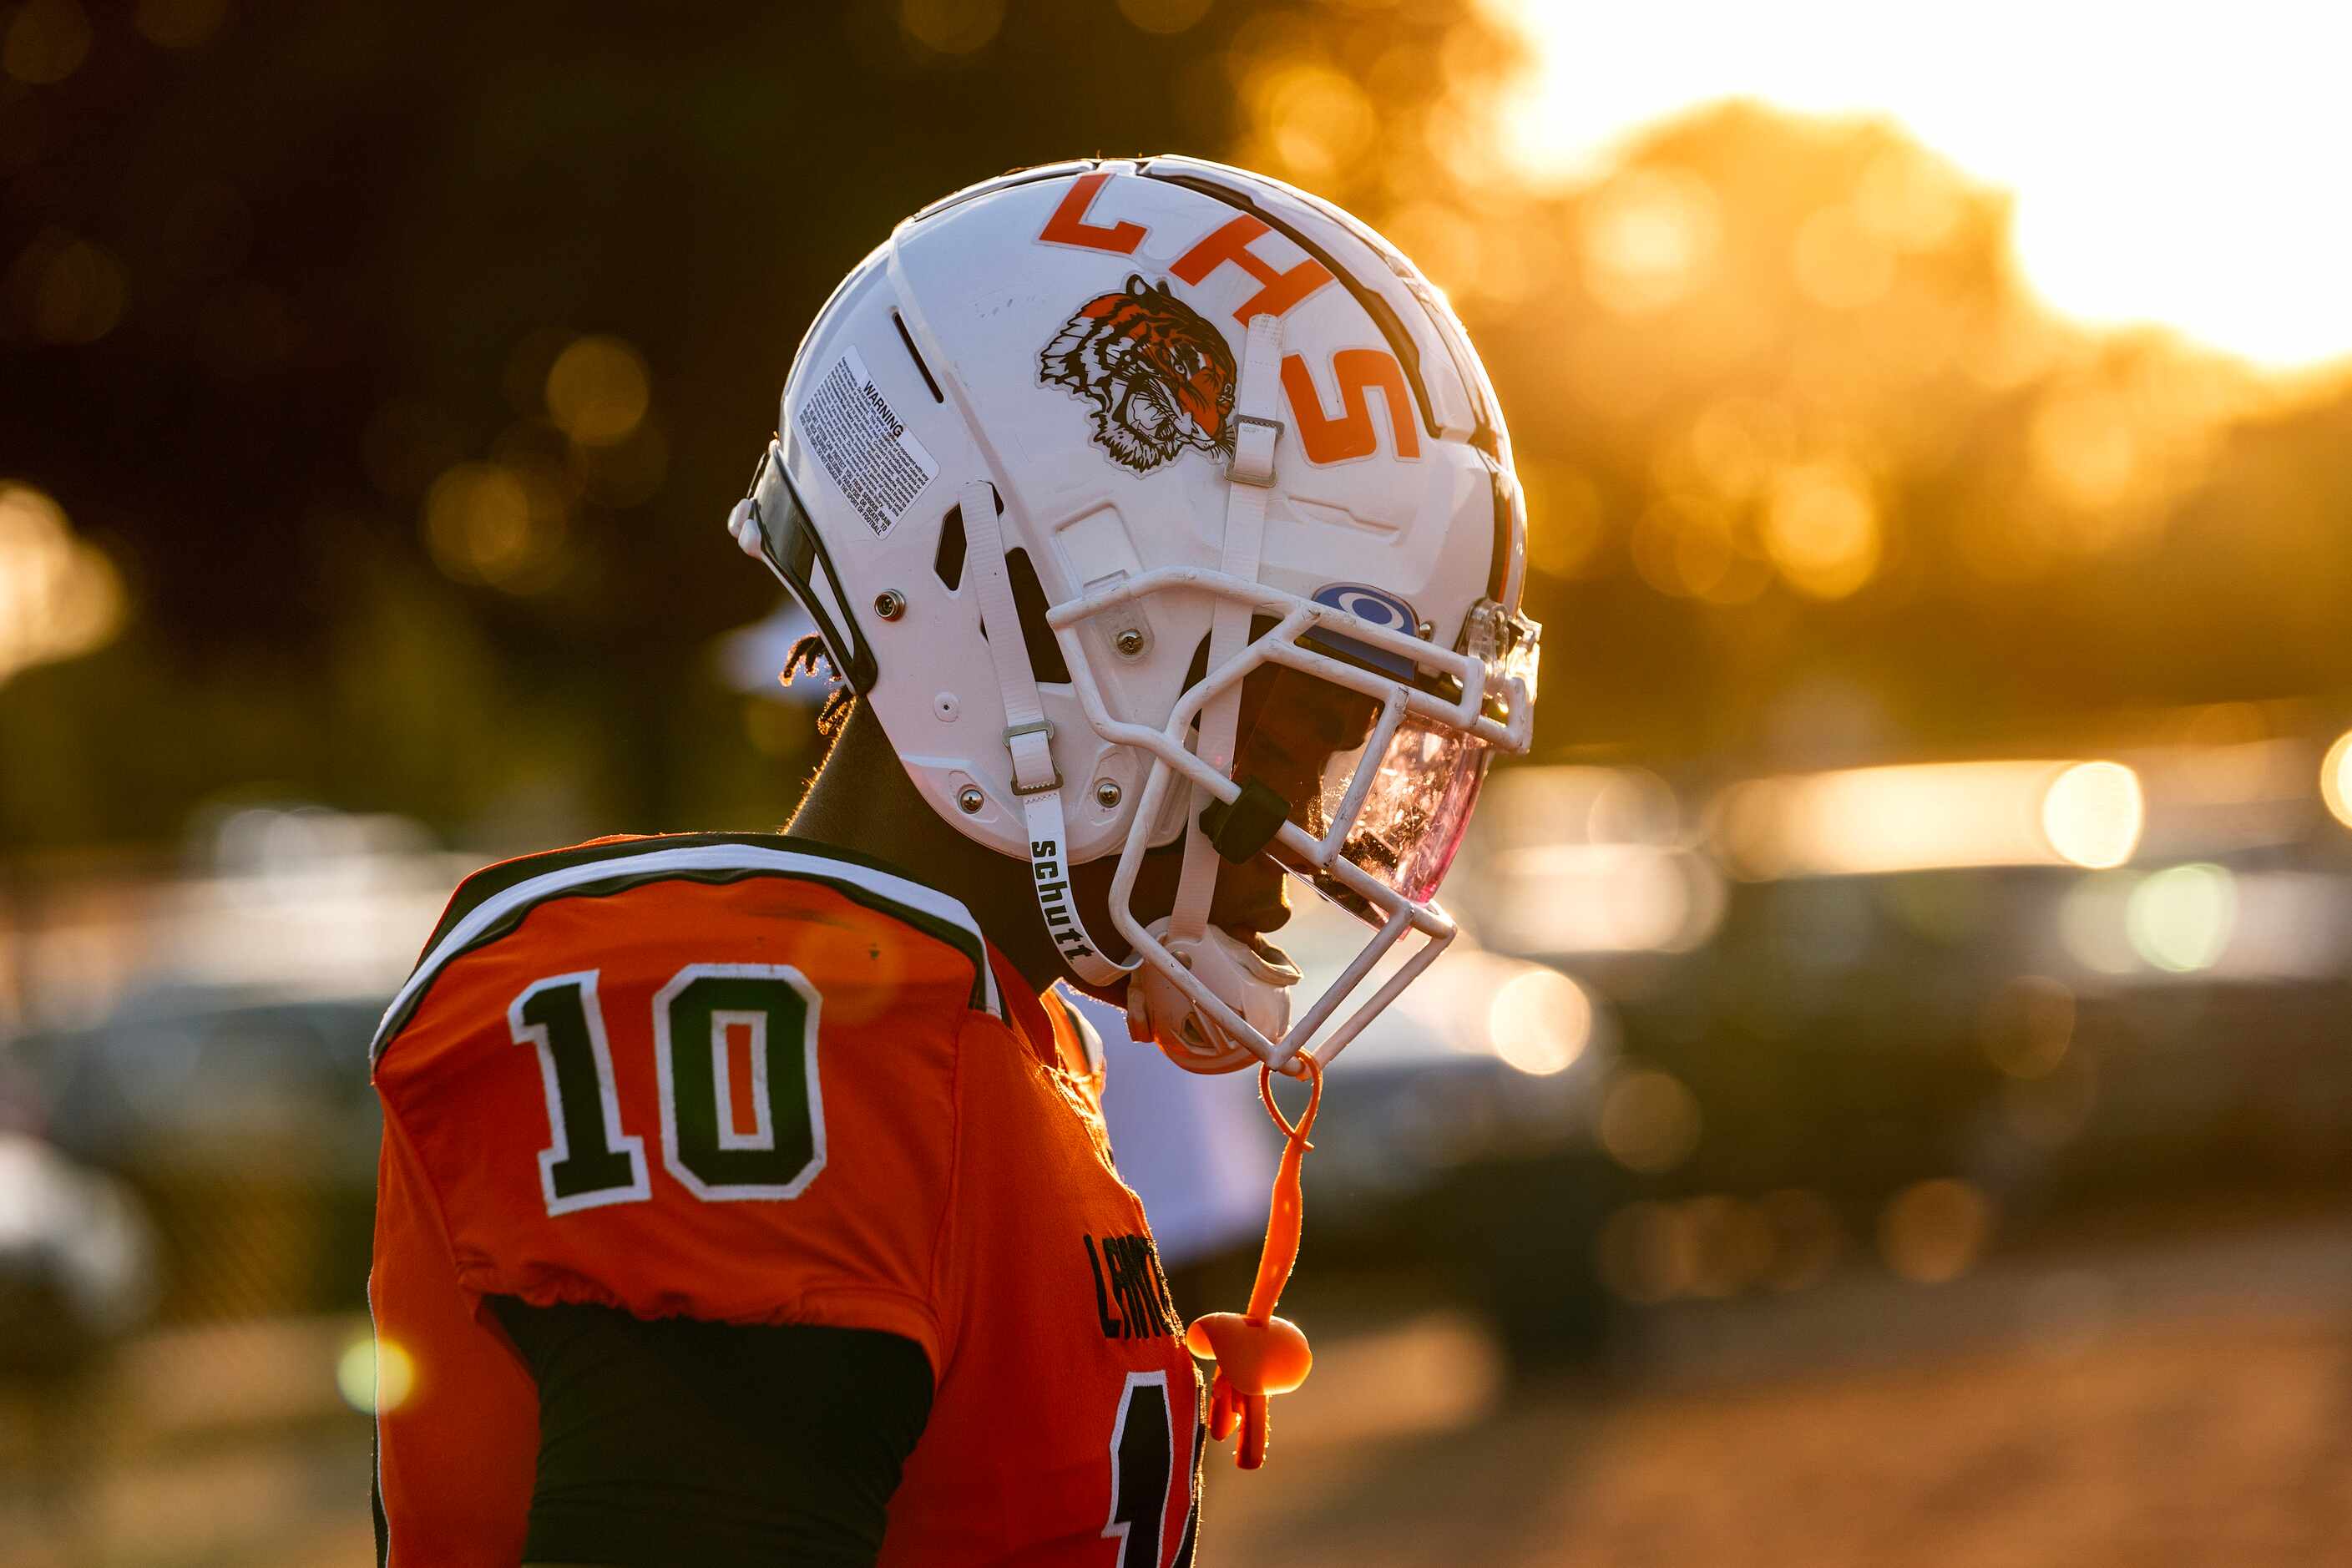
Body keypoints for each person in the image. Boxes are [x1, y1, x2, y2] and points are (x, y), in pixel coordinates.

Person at [367, 154, 1540, 1567]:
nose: (1334, 823)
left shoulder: (990, 1030)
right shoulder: (769, 1041)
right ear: (1055, 622)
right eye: (1303, 718)